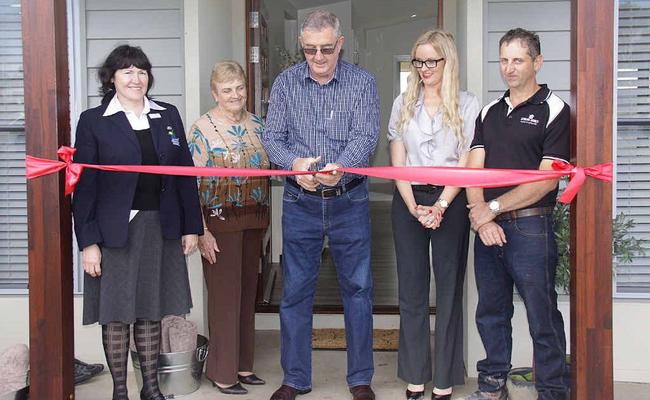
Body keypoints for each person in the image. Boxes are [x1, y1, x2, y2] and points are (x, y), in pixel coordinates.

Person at [72, 45, 202, 400]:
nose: (136, 78)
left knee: (150, 310)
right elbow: (84, 186)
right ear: (111, 78)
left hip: (160, 227)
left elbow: (184, 174)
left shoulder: (167, 114)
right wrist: (88, 242)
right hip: (115, 232)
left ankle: (150, 387)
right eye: (127, 71)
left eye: (142, 71)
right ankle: (119, 392)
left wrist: (192, 226)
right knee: (115, 315)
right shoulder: (94, 120)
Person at [261, 9, 380, 400]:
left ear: (340, 44)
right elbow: (273, 137)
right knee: (295, 291)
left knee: (358, 290)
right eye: (311, 50)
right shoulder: (284, 84)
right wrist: (293, 164)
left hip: (350, 201)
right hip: (300, 202)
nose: (319, 57)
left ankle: (360, 378)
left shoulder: (362, 84)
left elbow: (366, 136)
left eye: (327, 49)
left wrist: (340, 169)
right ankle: (294, 379)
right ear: (302, 46)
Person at [463, 28, 569, 400]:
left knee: (543, 317)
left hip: (530, 229)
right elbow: (473, 170)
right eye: (504, 60)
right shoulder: (489, 112)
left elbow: (546, 181)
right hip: (487, 228)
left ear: (537, 62)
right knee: (490, 312)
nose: (509, 68)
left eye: (518, 60)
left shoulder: (555, 110)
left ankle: (553, 391)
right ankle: (492, 386)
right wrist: (480, 214)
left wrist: (492, 208)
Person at [388, 30, 479, 400]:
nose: (424, 68)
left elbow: (467, 159)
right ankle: (415, 375)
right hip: (408, 198)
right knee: (410, 290)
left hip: (451, 201)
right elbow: (398, 157)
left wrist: (441, 204)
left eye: (432, 61)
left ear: (448, 61)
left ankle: (443, 378)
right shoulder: (402, 102)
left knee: (449, 290)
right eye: (418, 61)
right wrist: (412, 206)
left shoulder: (468, 104)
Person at [186, 61, 270, 395]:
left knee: (248, 294)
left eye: (239, 88)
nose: (235, 95)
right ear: (214, 92)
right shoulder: (201, 129)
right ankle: (222, 373)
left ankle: (243, 366)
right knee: (224, 297)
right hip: (218, 223)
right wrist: (200, 229)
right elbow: (189, 184)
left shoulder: (259, 125)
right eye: (226, 90)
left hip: (255, 219)